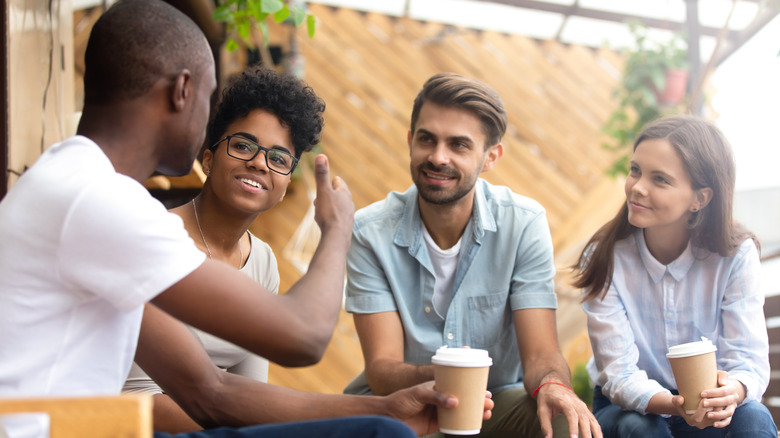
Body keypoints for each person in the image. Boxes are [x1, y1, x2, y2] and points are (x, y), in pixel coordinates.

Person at [0, 2, 492, 438]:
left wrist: (384, 405)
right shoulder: (102, 203)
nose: (259, 163)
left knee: (380, 425)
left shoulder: (79, 187)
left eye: (279, 158)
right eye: (212, 101)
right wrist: (339, 228)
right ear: (182, 91)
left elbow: (208, 389)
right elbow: (301, 337)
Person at [343, 72, 601, 438]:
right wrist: (457, 379)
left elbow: (541, 354)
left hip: (495, 408)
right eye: (427, 139)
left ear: (491, 156)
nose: (438, 157)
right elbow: (384, 371)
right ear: (409, 140)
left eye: (459, 145)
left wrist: (555, 387)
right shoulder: (370, 232)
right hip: (402, 409)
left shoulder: (523, 224)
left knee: (561, 416)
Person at [122, 66, 324, 433]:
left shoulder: (262, 262)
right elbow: (139, 401)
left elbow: (251, 391)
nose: (259, 163)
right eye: (244, 145)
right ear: (210, 158)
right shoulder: (158, 238)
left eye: (278, 158)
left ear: (284, 184)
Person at [573, 115, 777, 437]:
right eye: (635, 170)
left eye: (660, 179)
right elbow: (619, 374)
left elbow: (747, 362)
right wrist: (675, 405)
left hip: (707, 408)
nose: (637, 187)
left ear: (700, 199)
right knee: (641, 426)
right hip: (628, 410)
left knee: (753, 418)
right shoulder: (606, 257)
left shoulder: (735, 257)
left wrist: (731, 392)